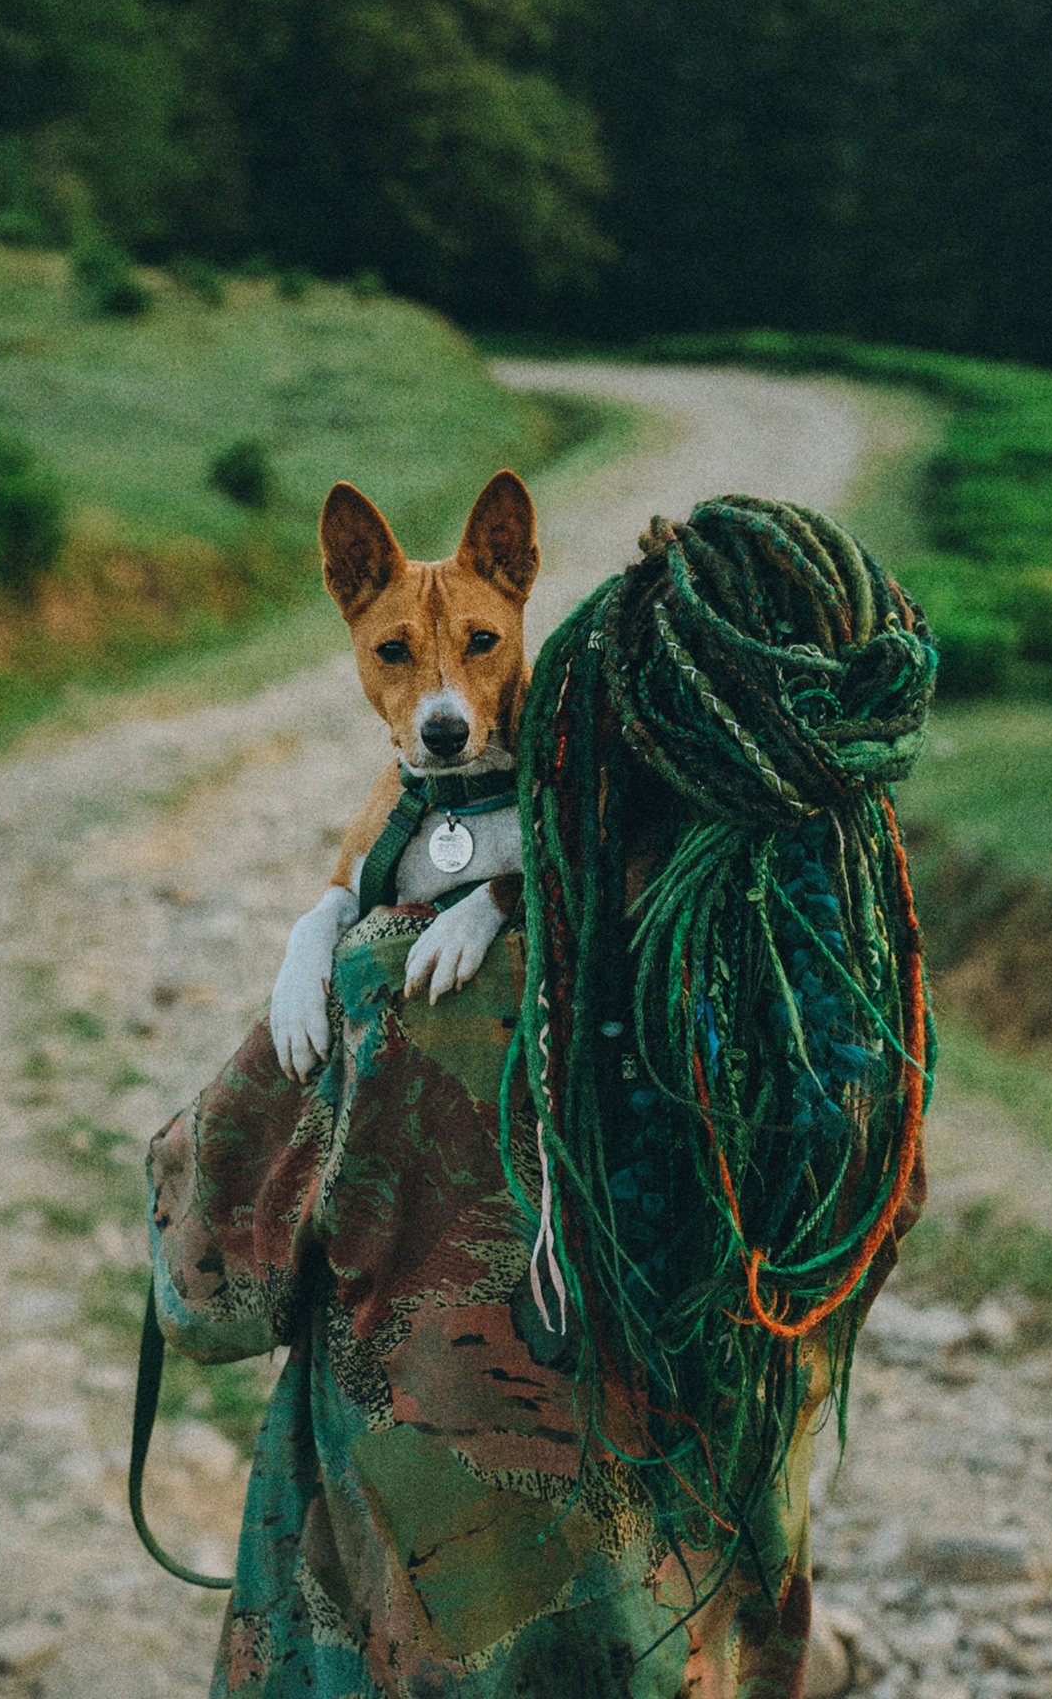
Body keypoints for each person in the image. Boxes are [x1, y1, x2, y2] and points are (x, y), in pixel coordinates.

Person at [146, 495, 935, 1696]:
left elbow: (210, 1289)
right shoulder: (843, 1007)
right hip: (686, 1605)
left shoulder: (384, 982)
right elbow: (868, 1233)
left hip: (429, 1607)